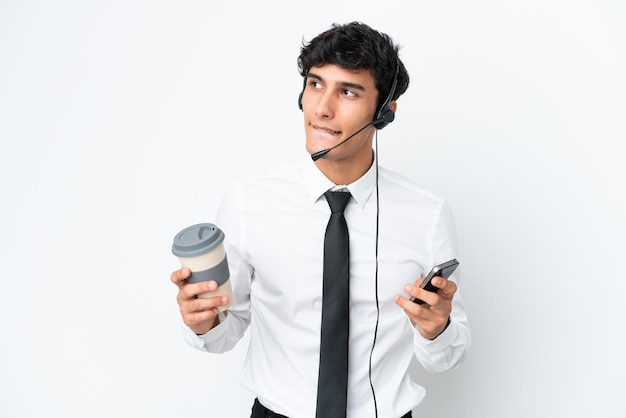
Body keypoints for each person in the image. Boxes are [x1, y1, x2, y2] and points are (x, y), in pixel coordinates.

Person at [171, 21, 471, 418]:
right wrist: (203, 323)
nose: (322, 109)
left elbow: (446, 357)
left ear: (385, 112)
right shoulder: (248, 202)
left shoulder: (428, 214)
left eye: (347, 91)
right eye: (315, 85)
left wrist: (436, 327)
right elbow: (228, 330)